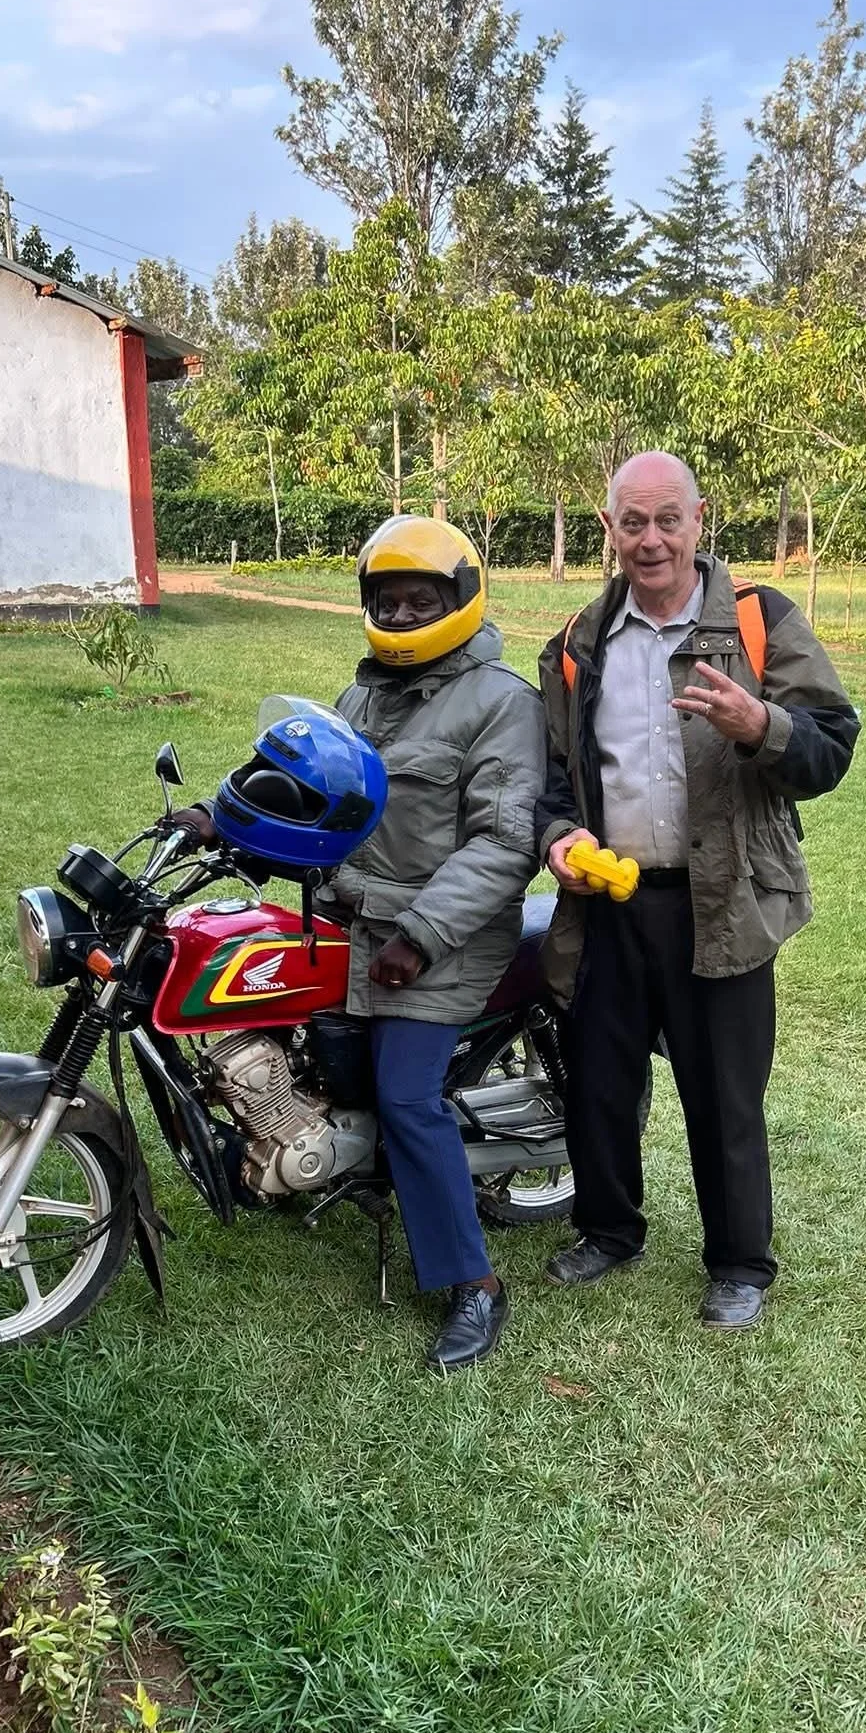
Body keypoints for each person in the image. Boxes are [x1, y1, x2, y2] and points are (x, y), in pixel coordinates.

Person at [535, 452, 860, 1329]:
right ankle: (608, 1230)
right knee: (599, 1081)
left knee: (724, 1093)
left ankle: (740, 1264)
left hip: (723, 900)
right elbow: (553, 773)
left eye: (667, 520)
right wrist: (558, 835)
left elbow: (832, 745)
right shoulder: (578, 642)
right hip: (607, 901)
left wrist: (762, 725)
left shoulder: (759, 621)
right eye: (632, 522)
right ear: (608, 529)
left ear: (699, 519)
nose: (651, 540)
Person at [325, 515, 546, 1371]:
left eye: (421, 599)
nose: (402, 615)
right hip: (359, 916)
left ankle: (475, 1285)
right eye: (387, 600)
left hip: (446, 933)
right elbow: (315, 783)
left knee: (405, 1094)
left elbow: (504, 842)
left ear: (461, 597)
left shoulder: (501, 703)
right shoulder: (364, 696)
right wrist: (220, 816)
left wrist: (419, 936)